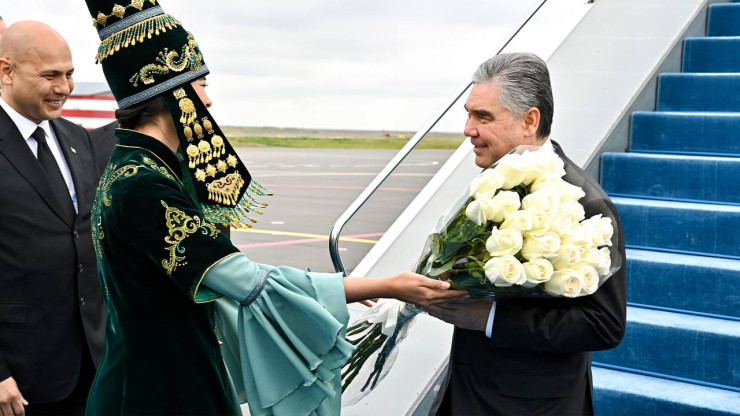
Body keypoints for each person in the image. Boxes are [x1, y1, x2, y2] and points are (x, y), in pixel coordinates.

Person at [80, 1, 466, 415]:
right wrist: (385, 286)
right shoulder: (144, 185)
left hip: (159, 374)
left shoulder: (136, 167)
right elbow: (249, 284)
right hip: (160, 390)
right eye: (201, 85)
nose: (208, 101)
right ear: (175, 92)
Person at [425, 53, 627, 415]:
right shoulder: (494, 181)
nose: (469, 129)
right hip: (465, 391)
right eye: (469, 114)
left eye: (483, 117)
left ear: (530, 120)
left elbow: (604, 324)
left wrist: (487, 318)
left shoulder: (587, 204)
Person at [0, 21, 106, 416]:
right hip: (18, 379)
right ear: (6, 71)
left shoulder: (77, 138)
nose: (64, 87)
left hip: (89, 365)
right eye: (50, 75)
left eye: (69, 74)